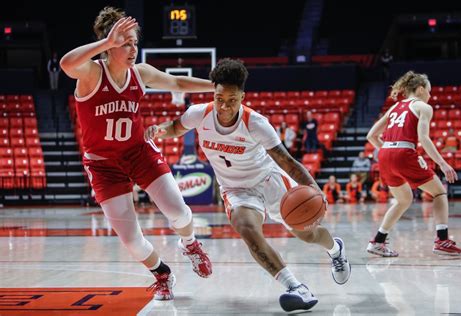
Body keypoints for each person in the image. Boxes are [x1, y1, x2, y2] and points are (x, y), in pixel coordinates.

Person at [145, 58, 351, 312]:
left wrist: (315, 190)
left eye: (232, 100)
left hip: (269, 181)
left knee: (307, 234)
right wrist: (160, 130)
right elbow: (176, 127)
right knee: (248, 231)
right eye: (220, 98)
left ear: (242, 96)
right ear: (214, 92)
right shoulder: (200, 113)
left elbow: (287, 161)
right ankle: (296, 288)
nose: (224, 107)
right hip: (236, 190)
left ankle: (335, 249)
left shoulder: (256, 123)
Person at [60, 6, 214, 300]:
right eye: (125, 42)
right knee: (131, 241)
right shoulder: (92, 72)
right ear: (109, 44)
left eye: (134, 42)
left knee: (179, 212)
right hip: (103, 164)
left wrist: (216, 87)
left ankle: (191, 244)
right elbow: (67, 63)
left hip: (138, 152)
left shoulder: (139, 73)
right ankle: (162, 274)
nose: (132, 49)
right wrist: (107, 42)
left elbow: (178, 83)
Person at [366, 70, 461, 257]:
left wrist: (390, 152)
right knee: (439, 192)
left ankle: (377, 241)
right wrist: (442, 163)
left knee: (403, 200)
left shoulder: (394, 108)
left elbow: (371, 136)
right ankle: (442, 240)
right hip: (403, 152)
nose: (430, 95)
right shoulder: (423, 107)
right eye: (429, 91)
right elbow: (424, 138)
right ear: (419, 89)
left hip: (385, 154)